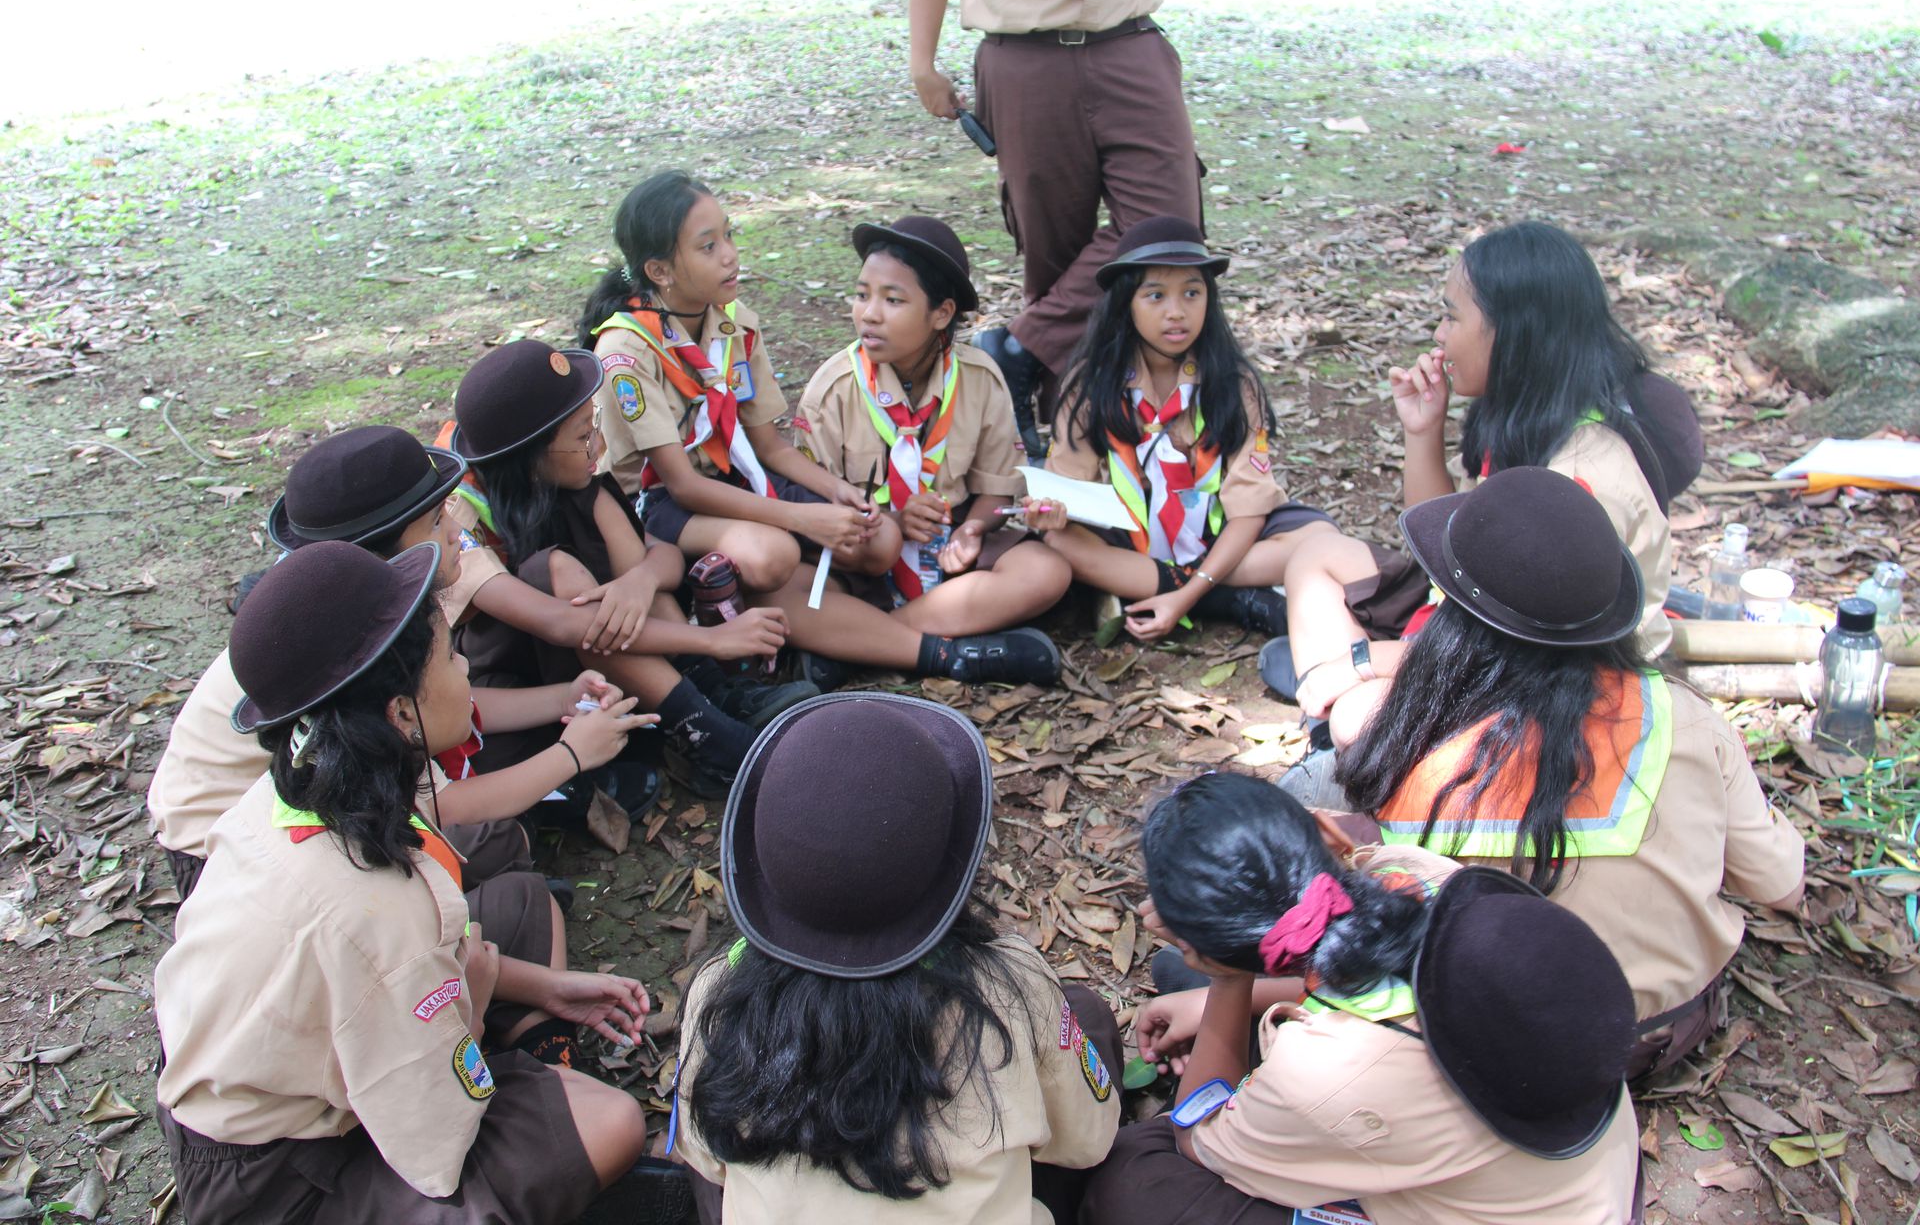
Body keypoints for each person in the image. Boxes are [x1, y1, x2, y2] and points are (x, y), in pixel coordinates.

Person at [154, 540, 671, 1222]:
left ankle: (538, 1098)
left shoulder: (313, 784)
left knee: (523, 901)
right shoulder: (374, 906)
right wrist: (472, 1008)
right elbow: (434, 1138)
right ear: (400, 714)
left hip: (320, 1063)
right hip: (282, 1179)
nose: (466, 667)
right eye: (451, 656)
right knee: (612, 1123)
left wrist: (543, 987)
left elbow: (407, 959)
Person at [1328, 466, 1804, 1075]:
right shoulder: (1684, 717)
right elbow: (1781, 886)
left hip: (1524, 1052)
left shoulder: (1427, 771)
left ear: (1453, 626)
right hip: (1672, 1024)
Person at [1083, 771, 1642, 1224]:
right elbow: (1368, 967)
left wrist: (1228, 985)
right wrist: (1210, 988)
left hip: (1493, 1197)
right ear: (1330, 834)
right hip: (1579, 1172)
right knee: (1186, 990)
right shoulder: (1416, 874)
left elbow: (1196, 1134)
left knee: (1134, 1179)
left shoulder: (1320, 1077)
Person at [673, 693, 1120, 1223]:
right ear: (951, 869)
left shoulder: (718, 993)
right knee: (1084, 1014)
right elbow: (1087, 1142)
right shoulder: (1011, 987)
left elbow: (706, 1154)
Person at [145, 425, 646, 898]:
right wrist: (571, 755)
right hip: (230, 860)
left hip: (337, 793)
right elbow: (443, 804)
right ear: (379, 554)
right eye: (437, 522)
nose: (457, 533)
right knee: (484, 844)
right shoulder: (351, 649)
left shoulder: (367, 606)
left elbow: (451, 702)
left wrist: (562, 698)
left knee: (499, 781)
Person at [1265, 221, 1702, 746]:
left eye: (1452, 317)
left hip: (1556, 677)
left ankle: (1334, 725)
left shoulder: (1578, 479)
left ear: (1513, 333)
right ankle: (1333, 700)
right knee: (1314, 558)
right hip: (1476, 609)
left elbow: (1516, 652)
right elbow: (1445, 546)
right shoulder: (1530, 414)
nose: (1438, 334)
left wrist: (1365, 660)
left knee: (1356, 717)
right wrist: (1422, 430)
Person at [443, 339, 814, 798]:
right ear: (529, 458)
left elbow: (664, 556)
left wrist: (640, 581)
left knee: (599, 504)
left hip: (592, 654)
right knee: (555, 571)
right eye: (583, 437)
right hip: (516, 673)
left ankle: (709, 693)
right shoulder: (458, 517)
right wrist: (713, 639)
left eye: (594, 425)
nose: (598, 445)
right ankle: (708, 737)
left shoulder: (568, 476)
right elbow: (567, 623)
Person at [908, 0, 1202, 458]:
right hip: (1024, 56)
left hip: (1129, 44)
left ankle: (1018, 346)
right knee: (1054, 254)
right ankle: (1075, 439)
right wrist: (921, 63)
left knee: (1169, 233)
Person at [782, 215, 1072, 674]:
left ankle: (859, 645)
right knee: (781, 596)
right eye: (862, 295)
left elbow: (997, 486)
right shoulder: (832, 389)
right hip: (862, 560)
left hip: (949, 556)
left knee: (1047, 571)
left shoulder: (979, 379)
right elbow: (810, 512)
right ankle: (944, 650)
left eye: (893, 299)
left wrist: (972, 530)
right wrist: (893, 521)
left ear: (941, 313)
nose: (869, 313)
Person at [1022, 217, 1334, 641]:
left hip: (1217, 533)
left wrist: (1188, 594)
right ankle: (1235, 600)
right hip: (1128, 537)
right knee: (1060, 542)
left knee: (1319, 538)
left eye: (1192, 293)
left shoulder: (1234, 383)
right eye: (1155, 295)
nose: (1176, 312)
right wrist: (1049, 510)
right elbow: (1068, 492)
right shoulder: (1091, 384)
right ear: (1126, 304)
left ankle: (1168, 591)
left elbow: (1249, 509)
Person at [580, 170, 879, 594]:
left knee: (877, 539)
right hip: (656, 501)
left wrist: (838, 491)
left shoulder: (733, 324)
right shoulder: (626, 350)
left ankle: (786, 593)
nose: (730, 255)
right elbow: (681, 485)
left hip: (732, 475)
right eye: (708, 246)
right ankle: (732, 594)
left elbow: (769, 446)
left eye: (729, 235)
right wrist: (801, 519)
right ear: (659, 271)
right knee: (773, 555)